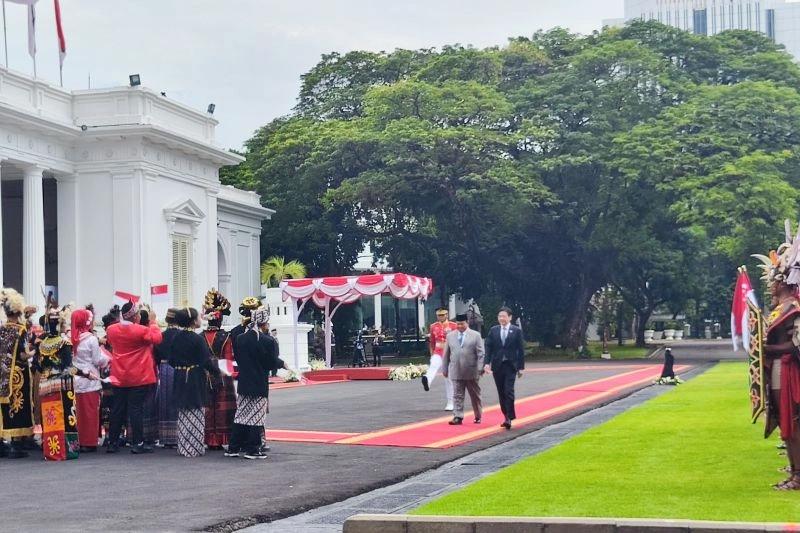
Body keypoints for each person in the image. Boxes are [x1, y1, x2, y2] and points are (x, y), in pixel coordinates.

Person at [754, 226, 800, 490]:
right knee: (786, 422)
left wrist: (769, 350)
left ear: (782, 280)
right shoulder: (780, 308)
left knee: (793, 423)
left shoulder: (793, 307)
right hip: (776, 369)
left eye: (772, 279)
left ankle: (798, 475)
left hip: (789, 370)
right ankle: (795, 472)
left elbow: (796, 346)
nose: (770, 284)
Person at [105, 301, 162, 454]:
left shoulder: (111, 330)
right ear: (135, 316)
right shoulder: (141, 330)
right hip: (139, 375)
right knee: (135, 409)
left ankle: (112, 442)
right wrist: (153, 321)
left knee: (117, 409)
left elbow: (110, 342)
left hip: (119, 374)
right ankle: (138, 443)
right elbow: (157, 338)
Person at [228, 307, 284, 459]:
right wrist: (282, 364)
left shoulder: (240, 338)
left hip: (244, 382)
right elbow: (271, 363)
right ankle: (252, 449)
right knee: (256, 417)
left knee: (240, 415)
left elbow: (238, 359)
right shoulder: (268, 341)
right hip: (259, 382)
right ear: (264, 323)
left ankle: (233, 447)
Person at [170, 308, 219, 458]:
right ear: (192, 321)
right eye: (198, 317)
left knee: (183, 413)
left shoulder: (175, 337)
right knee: (195, 411)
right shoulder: (197, 339)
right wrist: (217, 370)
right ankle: (194, 447)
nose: (200, 319)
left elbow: (171, 360)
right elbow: (205, 361)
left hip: (179, 375)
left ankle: (184, 446)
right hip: (194, 378)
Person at [33, 305, 80, 460]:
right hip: (62, 383)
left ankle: (51, 450)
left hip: (45, 383)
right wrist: (83, 372)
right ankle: (67, 449)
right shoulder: (64, 343)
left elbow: (37, 365)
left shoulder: (42, 344)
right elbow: (68, 367)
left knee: (50, 416)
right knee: (66, 415)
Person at [0, 289, 35, 459]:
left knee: (4, 409)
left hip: (2, 373)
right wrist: (35, 349)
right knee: (18, 407)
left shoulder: (1, 328)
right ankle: (16, 445)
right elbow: (23, 354)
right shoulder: (21, 330)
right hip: (18, 373)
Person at [201, 289, 236, 449]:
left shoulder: (200, 336)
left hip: (205, 375)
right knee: (222, 408)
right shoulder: (226, 337)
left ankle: (210, 439)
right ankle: (222, 439)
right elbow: (228, 360)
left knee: (208, 408)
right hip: (222, 376)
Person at [72, 307, 110, 453]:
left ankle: (79, 440)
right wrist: (107, 358)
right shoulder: (91, 339)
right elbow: (97, 359)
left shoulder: (71, 337)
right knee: (90, 412)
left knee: (79, 412)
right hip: (90, 379)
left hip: (76, 378)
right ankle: (89, 441)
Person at [484, 306, 525, 430]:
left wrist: (520, 367)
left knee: (508, 391)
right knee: (501, 392)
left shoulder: (516, 331)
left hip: (510, 365)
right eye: (499, 316)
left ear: (510, 317)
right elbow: (489, 348)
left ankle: (510, 416)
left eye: (504, 316)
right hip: (497, 365)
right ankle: (506, 416)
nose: (501, 318)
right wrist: (487, 363)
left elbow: (520, 350)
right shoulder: (494, 330)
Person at [442, 314, 485, 425]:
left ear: (467, 323)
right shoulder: (450, 336)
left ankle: (478, 415)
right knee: (457, 395)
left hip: (471, 370)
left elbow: (481, 353)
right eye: (458, 324)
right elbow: (446, 354)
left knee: (475, 395)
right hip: (456, 370)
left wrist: (481, 367)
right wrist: (445, 368)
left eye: (462, 323)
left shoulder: (475, 335)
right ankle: (458, 416)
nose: (460, 326)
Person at [422, 307, 457, 411]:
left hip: (450, 353)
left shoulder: (453, 326)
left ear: (447, 315)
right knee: (433, 365)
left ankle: (450, 402)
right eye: (438, 315)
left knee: (449, 378)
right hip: (438, 351)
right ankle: (427, 381)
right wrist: (432, 353)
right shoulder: (433, 326)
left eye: (442, 315)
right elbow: (432, 342)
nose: (440, 317)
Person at [154, 308, 179, 448]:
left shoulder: (161, 336)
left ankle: (166, 437)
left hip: (164, 368)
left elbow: (156, 355)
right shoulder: (181, 335)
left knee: (165, 401)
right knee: (178, 401)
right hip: (179, 369)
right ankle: (177, 436)